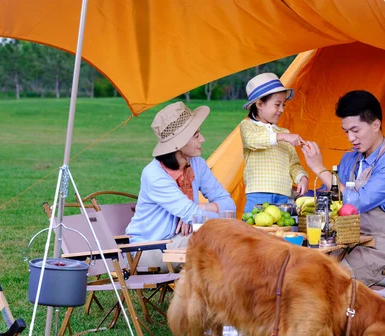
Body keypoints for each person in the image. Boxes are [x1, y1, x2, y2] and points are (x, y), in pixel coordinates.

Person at [301, 90, 385, 286]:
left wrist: (318, 167)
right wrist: (300, 190)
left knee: (333, 280)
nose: (350, 138)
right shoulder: (350, 158)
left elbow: (357, 202)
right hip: (352, 239)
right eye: (346, 132)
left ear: (376, 125)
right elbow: (331, 196)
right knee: (311, 269)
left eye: (355, 130)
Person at [126, 101, 236, 271]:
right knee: (218, 241)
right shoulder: (154, 175)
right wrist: (196, 214)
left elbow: (229, 205)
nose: (203, 139)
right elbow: (197, 215)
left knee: (220, 238)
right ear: (180, 142)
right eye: (196, 135)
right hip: (149, 250)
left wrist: (202, 207)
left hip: (181, 240)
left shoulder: (197, 164)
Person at [240, 73, 309, 212]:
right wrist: (281, 137)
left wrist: (302, 177)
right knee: (254, 230)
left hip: (284, 195)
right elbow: (252, 140)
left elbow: (294, 164)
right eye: (277, 104)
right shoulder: (247, 126)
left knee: (283, 231)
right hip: (258, 193)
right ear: (259, 104)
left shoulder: (285, 133)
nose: (282, 110)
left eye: (283, 105)